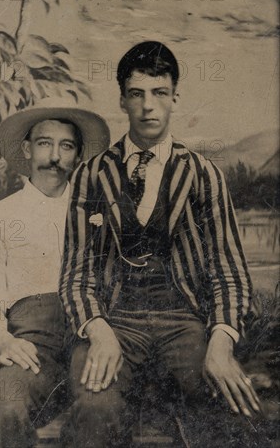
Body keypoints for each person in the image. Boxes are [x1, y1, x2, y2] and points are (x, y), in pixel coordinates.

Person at [59, 42, 268, 447]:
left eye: (158, 93)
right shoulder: (91, 175)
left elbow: (229, 273)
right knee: (93, 411)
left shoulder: (205, 175)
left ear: (175, 97)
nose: (148, 106)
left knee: (235, 408)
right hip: (116, 320)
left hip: (184, 321)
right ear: (122, 99)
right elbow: (76, 273)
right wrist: (99, 331)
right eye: (136, 94)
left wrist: (221, 343)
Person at [0, 97, 110, 448]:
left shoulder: (99, 213)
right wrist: (4, 341)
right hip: (31, 344)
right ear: (27, 149)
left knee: (99, 408)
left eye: (66, 146)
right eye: (45, 144)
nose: (55, 157)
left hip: (89, 337)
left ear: (78, 155)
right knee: (2, 410)